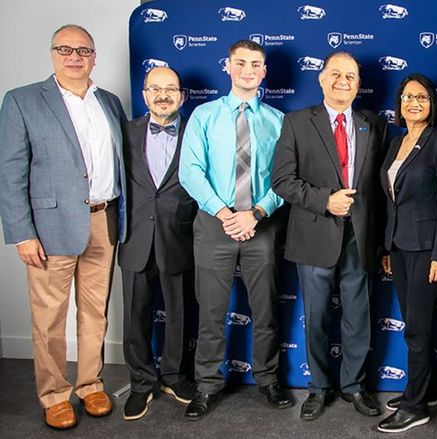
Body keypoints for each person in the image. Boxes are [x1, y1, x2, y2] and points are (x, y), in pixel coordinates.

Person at [0, 24, 126, 430]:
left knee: (95, 314)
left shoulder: (108, 102)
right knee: (50, 318)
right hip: (49, 227)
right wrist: (22, 232)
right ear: (53, 53)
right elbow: (10, 171)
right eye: (65, 49)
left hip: (103, 220)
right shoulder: (22, 101)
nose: (75, 56)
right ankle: (54, 394)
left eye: (83, 50)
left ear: (94, 56)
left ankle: (90, 385)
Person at [178, 39, 292, 420]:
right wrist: (224, 212)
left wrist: (256, 213)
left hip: (261, 224)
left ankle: (268, 379)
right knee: (211, 311)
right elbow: (190, 171)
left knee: (265, 310)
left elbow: (284, 178)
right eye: (240, 62)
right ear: (227, 67)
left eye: (255, 64)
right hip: (214, 224)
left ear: (264, 71)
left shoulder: (277, 121)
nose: (248, 69)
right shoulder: (204, 115)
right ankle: (207, 384)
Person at [272, 51, 388, 421]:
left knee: (358, 315)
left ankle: (354, 386)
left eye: (351, 76)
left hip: (361, 237)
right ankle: (319, 388)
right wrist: (325, 201)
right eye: (335, 74)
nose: (343, 81)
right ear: (321, 79)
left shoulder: (373, 124)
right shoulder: (296, 122)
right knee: (317, 316)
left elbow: (381, 188)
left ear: (359, 84)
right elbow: (282, 180)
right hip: (314, 235)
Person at [376, 74, 437, 433]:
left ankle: (415, 407)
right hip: (399, 245)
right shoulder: (396, 142)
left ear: (432, 104)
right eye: (408, 97)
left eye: (422, 98)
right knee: (415, 324)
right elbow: (391, 200)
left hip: (428, 249)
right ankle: (427, 390)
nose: (414, 103)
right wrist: (386, 245)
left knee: (417, 329)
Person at [119, 66, 198, 420]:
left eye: (170, 89)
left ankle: (174, 376)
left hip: (178, 235)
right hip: (135, 237)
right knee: (135, 316)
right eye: (155, 88)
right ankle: (140, 383)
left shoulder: (197, 132)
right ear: (144, 94)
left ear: (181, 96)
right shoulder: (124, 132)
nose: (163, 95)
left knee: (179, 313)